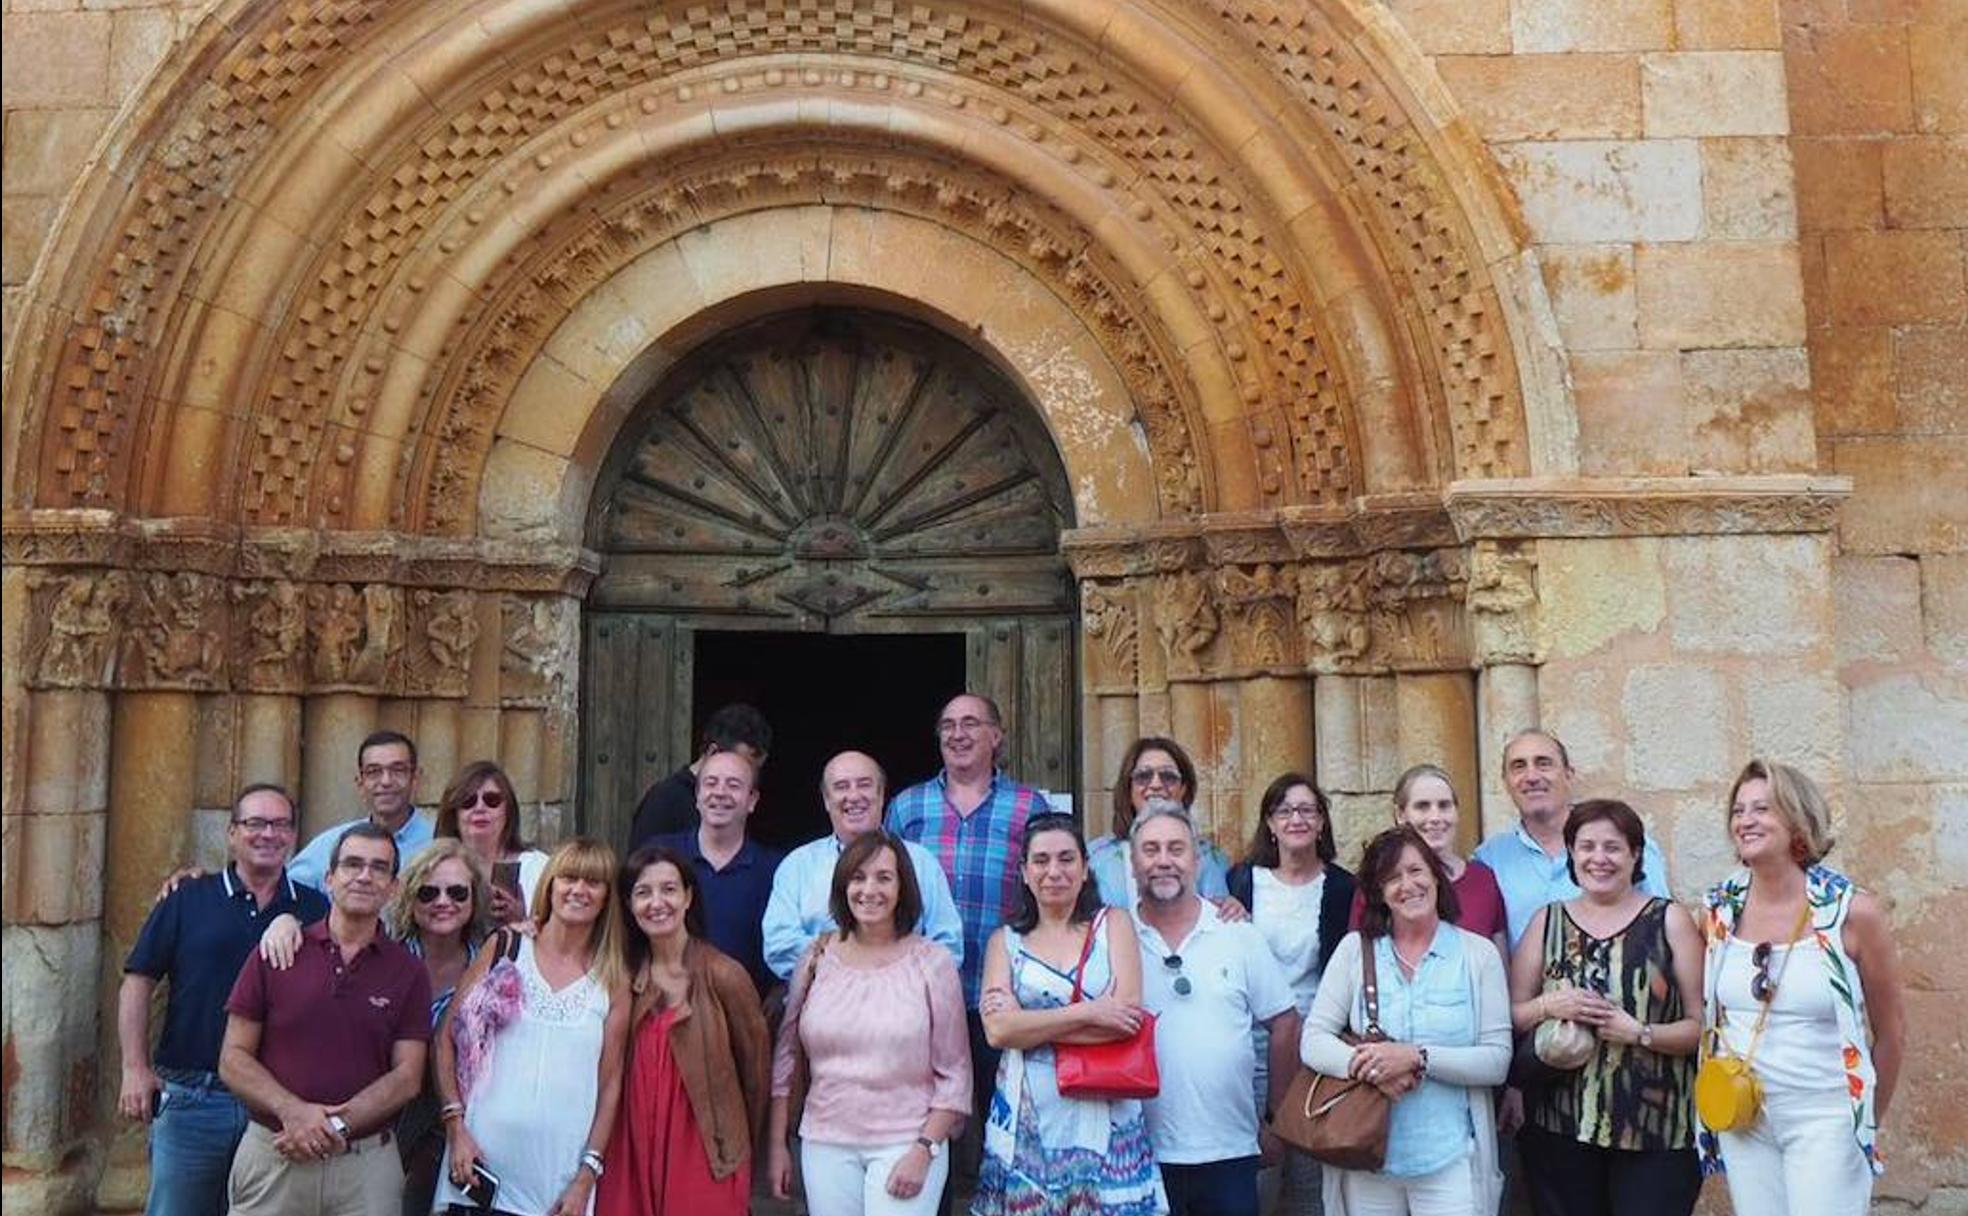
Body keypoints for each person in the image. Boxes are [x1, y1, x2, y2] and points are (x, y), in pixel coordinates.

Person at [1698, 760, 1906, 1216]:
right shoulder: (1718, 909)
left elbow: (1891, 1032)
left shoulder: (1852, 913)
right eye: (1738, 810)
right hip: (1745, 1114)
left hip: (1825, 1116)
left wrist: (1864, 1119)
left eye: (1762, 809)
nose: (1745, 820)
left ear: (1798, 820)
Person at [117, 784, 329, 1216]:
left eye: (280, 824)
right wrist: (134, 1068)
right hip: (193, 1097)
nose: (268, 834)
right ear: (232, 833)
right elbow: (138, 982)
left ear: (292, 835)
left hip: (274, 1105)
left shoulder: (314, 908)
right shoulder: (187, 898)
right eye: (255, 823)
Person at [217, 823, 432, 1216]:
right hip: (276, 1154)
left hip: (365, 1167)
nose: (364, 876)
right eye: (352, 864)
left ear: (394, 887)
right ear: (330, 878)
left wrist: (334, 1126)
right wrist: (293, 1112)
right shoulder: (277, 953)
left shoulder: (409, 971)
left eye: (378, 868)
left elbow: (407, 1078)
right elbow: (232, 1058)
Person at [888, 692, 1052, 1192]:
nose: (958, 735)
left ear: (996, 737)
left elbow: (1053, 885)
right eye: (948, 726)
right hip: (920, 999)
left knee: (1005, 1124)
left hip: (1000, 997)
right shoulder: (908, 805)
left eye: (971, 724)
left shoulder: (1028, 805)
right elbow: (881, 885)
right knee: (923, 1128)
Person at [1301, 826, 1510, 1216]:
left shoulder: (1477, 955)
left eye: (1415, 871)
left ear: (1436, 876)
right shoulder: (1355, 951)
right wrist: (1371, 1066)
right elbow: (1313, 1039)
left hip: (1449, 1160)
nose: (1407, 885)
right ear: (1377, 892)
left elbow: (1496, 1061)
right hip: (1366, 1155)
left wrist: (1417, 1057)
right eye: (1392, 877)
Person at [1507, 801, 1702, 1216]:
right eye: (1586, 847)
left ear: (1635, 854)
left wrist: (1640, 1033)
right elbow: (1509, 1016)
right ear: (1572, 856)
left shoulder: (1671, 921)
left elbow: (1703, 1027)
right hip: (1560, 1129)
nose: (1599, 858)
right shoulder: (1548, 922)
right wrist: (1549, 1004)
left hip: (1657, 1133)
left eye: (1613, 847)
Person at [767, 831, 972, 1216]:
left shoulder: (932, 962)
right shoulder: (816, 958)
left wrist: (925, 1149)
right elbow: (787, 1058)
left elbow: (955, 1074)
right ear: (842, 887)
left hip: (906, 1139)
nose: (869, 890)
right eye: (858, 878)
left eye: (883, 878)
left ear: (903, 887)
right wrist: (777, 1144)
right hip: (825, 1139)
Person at [972, 812, 1165, 1216]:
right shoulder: (1004, 942)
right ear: (1024, 872)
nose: (1053, 871)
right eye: (1041, 861)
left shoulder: (1114, 924)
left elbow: (1126, 1021)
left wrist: (1027, 1023)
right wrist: (1092, 1011)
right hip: (1026, 1126)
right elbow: (997, 1032)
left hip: (1106, 1117)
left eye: (1066, 859)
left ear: (1084, 868)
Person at [433, 838, 632, 1216]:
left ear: (608, 897)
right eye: (569, 877)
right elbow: (446, 1038)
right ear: (550, 884)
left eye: (593, 882)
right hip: (477, 1172)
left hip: (555, 1190)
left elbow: (609, 1087)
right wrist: (455, 1126)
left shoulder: (614, 980)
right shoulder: (506, 948)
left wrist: (587, 1177)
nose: (578, 890)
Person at [1131, 802, 1297, 1216]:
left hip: (1231, 1151)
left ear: (1197, 858)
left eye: (1176, 848)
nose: (1164, 861)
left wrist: (1277, 1120)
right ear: (1131, 862)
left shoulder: (1237, 932)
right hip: (1137, 1153)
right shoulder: (1113, 938)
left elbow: (1285, 1023)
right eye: (1150, 850)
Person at [598, 845, 770, 1216]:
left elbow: (756, 1078)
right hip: (630, 1150)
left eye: (669, 889)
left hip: (707, 1150)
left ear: (689, 897)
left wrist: (739, 1148)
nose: (657, 902)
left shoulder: (724, 975)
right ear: (628, 904)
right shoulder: (621, 978)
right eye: (643, 892)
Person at [1225, 774, 1357, 1216]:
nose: (1296, 819)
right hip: (1250, 1044)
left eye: (1307, 810)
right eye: (1285, 810)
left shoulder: (1343, 888)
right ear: (1270, 823)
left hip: (1317, 1047)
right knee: (1256, 1170)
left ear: (1322, 823)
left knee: (1310, 1181)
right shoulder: (1242, 881)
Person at [762, 750, 964, 982]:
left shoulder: (921, 863)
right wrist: (849, 968)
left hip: (903, 1005)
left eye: (864, 785)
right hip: (819, 1004)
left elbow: (948, 947)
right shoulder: (797, 865)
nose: (854, 795)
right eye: (841, 787)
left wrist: (888, 977)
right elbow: (778, 945)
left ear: (881, 795)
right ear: (827, 801)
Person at [1475, 730, 1671, 953]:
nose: (1531, 776)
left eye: (1543, 764)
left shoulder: (1626, 846)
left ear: (1569, 774)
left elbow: (1660, 927)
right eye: (1519, 766)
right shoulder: (1489, 859)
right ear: (1506, 782)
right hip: (1526, 987)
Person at [386, 840, 493, 1216]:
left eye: (457, 892)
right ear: (410, 899)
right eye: (428, 892)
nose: (442, 901)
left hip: (460, 1128)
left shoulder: (496, 965)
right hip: (385, 1124)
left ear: (474, 899)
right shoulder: (385, 957)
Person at [653, 749, 785, 995]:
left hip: (744, 1012)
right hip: (665, 1004)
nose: (720, 793)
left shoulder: (777, 870)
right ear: (697, 795)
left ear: (752, 800)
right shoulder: (659, 855)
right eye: (711, 783)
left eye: (733, 785)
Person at [1348, 765, 1507, 955]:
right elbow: (1358, 958)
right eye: (1422, 806)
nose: (1435, 817)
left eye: (1444, 805)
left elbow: (1499, 964)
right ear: (1401, 815)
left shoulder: (1483, 879)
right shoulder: (1377, 883)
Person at [1088, 737, 1232, 908]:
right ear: (1129, 788)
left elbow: (1219, 918)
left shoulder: (1211, 857)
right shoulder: (1095, 855)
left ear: (1184, 789)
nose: (1155, 784)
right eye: (1143, 776)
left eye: (1168, 776)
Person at [289, 730, 435, 889]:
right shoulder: (328, 846)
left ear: (415, 779)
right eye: (374, 772)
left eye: (398, 770)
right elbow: (288, 895)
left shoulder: (437, 841)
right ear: (360, 783)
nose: (386, 781)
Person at [629, 702, 773, 850]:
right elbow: (642, 865)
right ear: (713, 752)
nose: (749, 776)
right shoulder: (664, 800)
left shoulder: (742, 798)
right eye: (742, 764)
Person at [434, 759, 549, 926]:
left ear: (508, 810)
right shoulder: (433, 867)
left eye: (492, 800)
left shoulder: (539, 867)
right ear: (454, 814)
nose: (480, 808)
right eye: (468, 801)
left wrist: (522, 919)